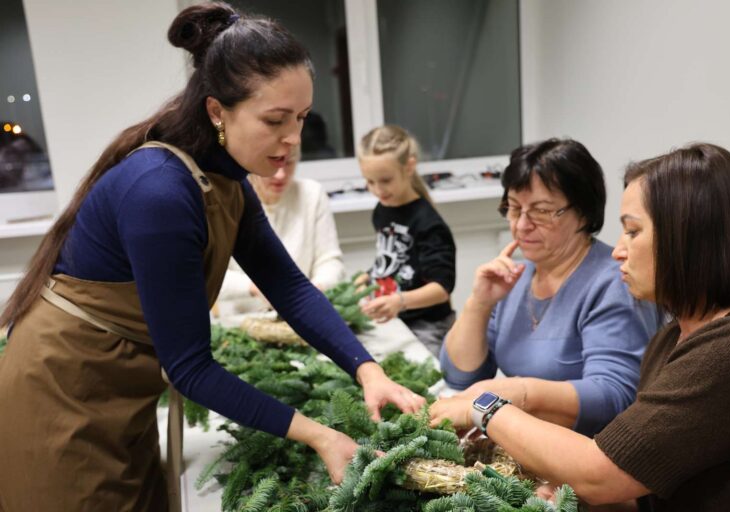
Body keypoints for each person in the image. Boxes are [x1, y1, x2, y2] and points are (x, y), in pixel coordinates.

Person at [0, 4, 424, 511]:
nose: (293, 139)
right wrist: (321, 436)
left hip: (120, 382)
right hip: (63, 389)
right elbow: (191, 368)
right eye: (274, 120)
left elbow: (288, 286)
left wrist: (368, 371)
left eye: (302, 118)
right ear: (217, 110)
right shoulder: (161, 192)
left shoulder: (226, 179)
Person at [430, 143, 730, 510]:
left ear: (691, 238)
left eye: (633, 232)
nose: (618, 251)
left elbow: (603, 469)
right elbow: (649, 479)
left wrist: (488, 408)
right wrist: (579, 492)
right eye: (513, 208)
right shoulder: (671, 337)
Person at [441, 138, 659, 437]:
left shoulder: (615, 282)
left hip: (582, 454)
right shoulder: (517, 275)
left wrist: (517, 394)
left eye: (541, 211)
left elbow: (614, 396)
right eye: (514, 208)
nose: (521, 225)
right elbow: (461, 374)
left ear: (582, 213)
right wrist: (478, 304)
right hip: (526, 442)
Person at [354, 124, 456, 357]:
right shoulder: (382, 210)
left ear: (409, 166)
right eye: (369, 182)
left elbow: (441, 288)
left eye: (385, 180)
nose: (378, 190)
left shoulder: (429, 224)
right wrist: (368, 276)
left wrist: (400, 301)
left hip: (428, 325)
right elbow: (394, 260)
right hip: (397, 317)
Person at [218, 144, 345, 313]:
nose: (281, 175)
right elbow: (211, 275)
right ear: (252, 164)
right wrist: (254, 288)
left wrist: (315, 289)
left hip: (299, 315)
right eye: (273, 164)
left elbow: (330, 261)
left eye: (289, 163)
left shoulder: (312, 194)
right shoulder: (228, 200)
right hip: (241, 320)